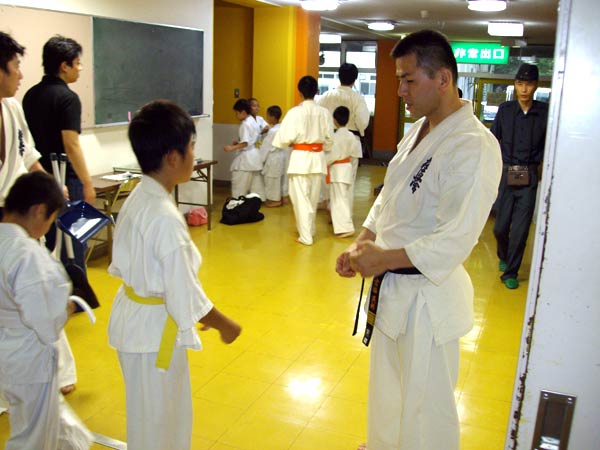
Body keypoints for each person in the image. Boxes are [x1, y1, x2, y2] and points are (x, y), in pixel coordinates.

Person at [335, 30, 502, 450]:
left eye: (409, 80)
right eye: (399, 80)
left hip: (428, 298)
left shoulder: (473, 144)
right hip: (394, 290)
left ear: (443, 79)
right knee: (388, 395)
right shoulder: (417, 131)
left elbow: (456, 237)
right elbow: (389, 197)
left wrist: (384, 258)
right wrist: (363, 242)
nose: (400, 91)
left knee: (427, 412)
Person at [107, 100, 242, 450]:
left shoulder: (140, 196)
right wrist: (226, 325)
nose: (194, 155)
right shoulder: (165, 218)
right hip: (155, 336)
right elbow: (184, 294)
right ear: (172, 157)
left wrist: (195, 312)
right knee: (161, 424)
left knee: (151, 419)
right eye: (191, 147)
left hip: (139, 324)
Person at [0, 171, 92, 450]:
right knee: (33, 437)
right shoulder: (26, 254)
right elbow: (46, 322)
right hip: (28, 357)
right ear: (39, 211)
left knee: (55, 424)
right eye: (51, 220)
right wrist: (69, 305)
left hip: (8, 351)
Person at [23, 35, 95, 272]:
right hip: (67, 180)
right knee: (75, 245)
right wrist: (87, 184)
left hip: (39, 180)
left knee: (49, 242)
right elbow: (71, 145)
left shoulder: (30, 95)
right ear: (64, 66)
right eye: (77, 63)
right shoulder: (68, 98)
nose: (80, 68)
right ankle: (76, 289)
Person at [491, 63, 548, 289]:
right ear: (515, 85)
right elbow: (493, 140)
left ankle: (511, 272)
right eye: (520, 83)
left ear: (536, 86)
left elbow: (550, 145)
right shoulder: (505, 110)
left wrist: (542, 168)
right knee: (500, 228)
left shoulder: (544, 113)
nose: (524, 89)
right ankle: (504, 256)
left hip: (529, 176)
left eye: (529, 84)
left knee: (521, 230)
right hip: (506, 174)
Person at [272, 75, 333, 245]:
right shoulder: (325, 113)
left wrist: (293, 141)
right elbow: (329, 140)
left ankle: (306, 236)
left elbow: (283, 139)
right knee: (312, 198)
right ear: (316, 91)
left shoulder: (294, 113)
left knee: (300, 198)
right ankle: (309, 230)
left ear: (299, 92)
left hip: (300, 159)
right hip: (317, 159)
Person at [0, 31, 45, 216]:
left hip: (13, 211)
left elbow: (27, 155)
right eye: (16, 66)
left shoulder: (12, 107)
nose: (20, 76)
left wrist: (49, 186)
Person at [318, 62, 370, 193]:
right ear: (355, 79)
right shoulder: (357, 98)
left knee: (327, 177)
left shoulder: (326, 96)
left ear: (339, 76)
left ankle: (328, 201)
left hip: (329, 138)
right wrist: (361, 132)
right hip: (350, 140)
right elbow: (362, 121)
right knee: (347, 181)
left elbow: (318, 117)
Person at [224, 98, 265, 200]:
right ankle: (254, 203)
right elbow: (250, 139)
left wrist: (231, 148)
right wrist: (239, 142)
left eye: (237, 113)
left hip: (247, 158)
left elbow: (245, 143)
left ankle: (237, 202)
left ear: (242, 112)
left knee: (239, 186)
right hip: (255, 156)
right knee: (255, 186)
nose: (236, 116)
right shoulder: (253, 121)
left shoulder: (245, 124)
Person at [327, 106, 359, 238]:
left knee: (339, 199)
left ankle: (346, 227)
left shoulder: (335, 137)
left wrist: (324, 162)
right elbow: (354, 153)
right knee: (346, 197)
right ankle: (342, 221)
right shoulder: (352, 136)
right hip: (347, 167)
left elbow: (332, 156)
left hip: (338, 170)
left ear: (334, 120)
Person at [261, 105, 289, 207]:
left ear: (272, 117)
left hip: (273, 157)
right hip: (281, 156)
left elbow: (265, 147)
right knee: (280, 178)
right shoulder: (282, 127)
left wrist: (260, 160)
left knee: (272, 179)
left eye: (268, 116)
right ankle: (282, 197)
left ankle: (275, 200)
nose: (267, 118)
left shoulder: (273, 131)